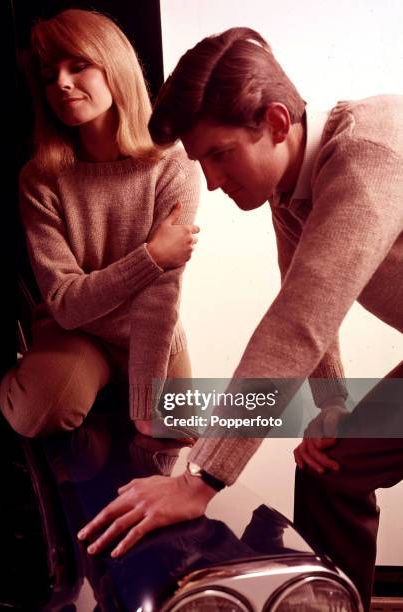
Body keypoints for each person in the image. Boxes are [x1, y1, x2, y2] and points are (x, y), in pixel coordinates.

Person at [78, 26, 403, 610]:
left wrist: (200, 479)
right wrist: (329, 404)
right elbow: (306, 297)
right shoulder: (295, 189)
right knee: (334, 463)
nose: (213, 181)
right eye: (202, 161)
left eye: (221, 155)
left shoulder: (366, 158)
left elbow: (297, 321)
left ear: (277, 123)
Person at [0, 9, 200, 440]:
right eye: (50, 76)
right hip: (76, 331)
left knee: (183, 436)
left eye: (78, 65)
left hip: (149, 327)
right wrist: (150, 257)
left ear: (114, 65)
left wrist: (147, 405)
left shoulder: (174, 165)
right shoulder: (40, 179)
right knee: (34, 414)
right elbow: (66, 304)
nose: (62, 84)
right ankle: (18, 374)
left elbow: (161, 292)